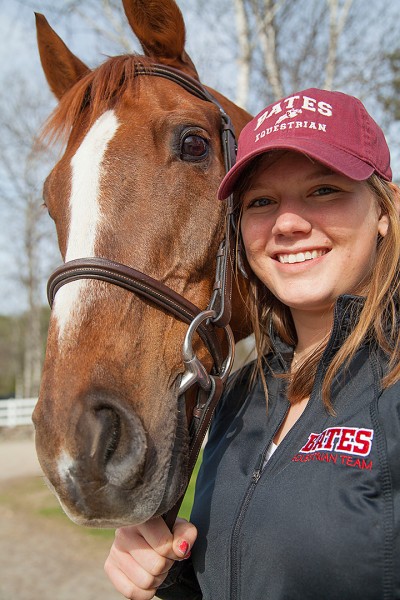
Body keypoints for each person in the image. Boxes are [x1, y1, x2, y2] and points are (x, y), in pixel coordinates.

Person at [104, 88, 400, 600]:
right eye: (261, 202)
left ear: (382, 210)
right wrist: (167, 574)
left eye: (324, 190)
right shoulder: (240, 395)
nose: (287, 223)